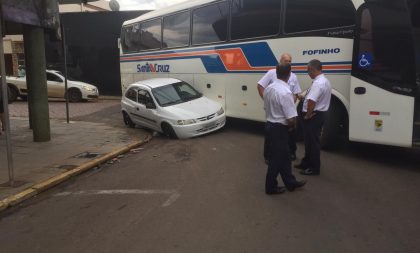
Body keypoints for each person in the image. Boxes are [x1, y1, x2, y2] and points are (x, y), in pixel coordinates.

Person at [263, 63, 306, 194]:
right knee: (276, 160)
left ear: (276, 73)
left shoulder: (269, 88)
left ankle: (290, 182)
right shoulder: (286, 92)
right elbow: (291, 119)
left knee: (285, 157)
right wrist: (291, 128)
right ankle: (270, 187)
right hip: (280, 129)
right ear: (289, 75)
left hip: (270, 126)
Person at [258, 53, 302, 161]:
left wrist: (294, 100)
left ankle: (291, 153)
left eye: (290, 61)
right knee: (271, 133)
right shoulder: (272, 73)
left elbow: (296, 92)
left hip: (288, 108)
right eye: (286, 61)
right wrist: (267, 100)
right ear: (280, 61)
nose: (288, 63)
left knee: (291, 133)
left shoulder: (293, 76)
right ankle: (268, 156)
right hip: (276, 109)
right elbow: (260, 86)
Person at [295, 59, 332, 176]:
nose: (307, 73)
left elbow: (312, 101)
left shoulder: (318, 83)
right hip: (318, 115)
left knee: (312, 143)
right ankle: (306, 162)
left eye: (308, 70)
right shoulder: (324, 81)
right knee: (308, 141)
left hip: (313, 116)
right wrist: (303, 98)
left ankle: (314, 168)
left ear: (312, 69)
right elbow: (311, 98)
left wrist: (307, 115)